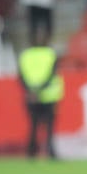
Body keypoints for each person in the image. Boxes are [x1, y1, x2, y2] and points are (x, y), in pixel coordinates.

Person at [18, 27, 63, 158]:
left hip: (32, 96)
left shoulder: (26, 55)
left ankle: (31, 152)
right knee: (48, 126)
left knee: (34, 125)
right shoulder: (50, 53)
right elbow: (51, 74)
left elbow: (21, 76)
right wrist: (40, 89)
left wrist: (31, 90)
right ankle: (50, 151)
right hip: (48, 95)